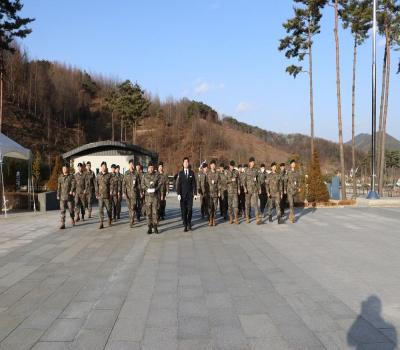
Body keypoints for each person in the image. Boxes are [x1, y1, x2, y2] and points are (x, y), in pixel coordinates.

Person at [176, 157, 197, 232]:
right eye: (184, 162)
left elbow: (194, 184)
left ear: (188, 163)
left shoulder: (192, 172)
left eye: (187, 162)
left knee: (190, 209)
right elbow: (178, 185)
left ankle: (189, 222)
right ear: (183, 163)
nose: (186, 163)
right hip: (182, 195)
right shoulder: (180, 173)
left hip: (190, 195)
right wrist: (178, 194)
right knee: (184, 211)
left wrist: (195, 193)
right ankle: (185, 225)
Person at [142, 162, 161, 234]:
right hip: (147, 197)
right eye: (150, 167)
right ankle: (149, 227)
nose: (151, 169)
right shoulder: (144, 175)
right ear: (148, 168)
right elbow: (142, 184)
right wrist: (146, 189)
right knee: (148, 213)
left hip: (155, 197)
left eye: (152, 167)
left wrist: (155, 189)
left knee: (155, 212)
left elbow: (160, 183)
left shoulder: (157, 175)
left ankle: (155, 227)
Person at [57, 163, 75, 229]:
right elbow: (58, 187)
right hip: (62, 197)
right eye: (63, 169)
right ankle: (63, 223)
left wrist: (72, 190)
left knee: (71, 210)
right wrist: (58, 194)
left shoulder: (71, 176)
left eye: (65, 168)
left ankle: (72, 218)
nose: (64, 170)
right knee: (62, 210)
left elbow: (73, 184)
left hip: (69, 197)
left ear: (67, 169)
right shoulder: (60, 177)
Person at [123, 159, 140, 228]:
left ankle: (131, 220)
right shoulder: (126, 173)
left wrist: (140, 191)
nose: (131, 165)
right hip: (127, 194)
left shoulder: (136, 173)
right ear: (129, 165)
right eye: (130, 164)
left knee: (133, 207)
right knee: (129, 208)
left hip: (134, 193)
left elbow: (138, 184)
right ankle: (131, 218)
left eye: (132, 164)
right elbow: (123, 184)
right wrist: (124, 192)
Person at [244, 157, 261, 225]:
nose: (253, 163)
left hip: (254, 189)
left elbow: (258, 180)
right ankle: (247, 217)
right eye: (251, 162)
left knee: (256, 204)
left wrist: (259, 188)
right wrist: (245, 188)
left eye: (253, 162)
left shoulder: (256, 170)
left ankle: (257, 218)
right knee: (248, 204)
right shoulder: (246, 170)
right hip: (248, 190)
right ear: (249, 163)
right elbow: (243, 180)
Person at [95, 161, 112, 229]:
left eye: (105, 166)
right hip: (100, 195)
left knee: (109, 209)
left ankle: (109, 218)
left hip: (107, 195)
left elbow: (111, 184)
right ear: (101, 167)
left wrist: (111, 191)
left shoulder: (109, 175)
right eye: (102, 166)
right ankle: (101, 222)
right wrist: (96, 193)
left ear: (106, 167)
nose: (104, 167)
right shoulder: (98, 175)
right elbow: (96, 185)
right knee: (100, 209)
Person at [207, 160, 220, 227]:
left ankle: (214, 219)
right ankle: (210, 220)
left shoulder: (217, 173)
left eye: (214, 165)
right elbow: (206, 183)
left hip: (215, 193)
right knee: (210, 207)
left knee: (215, 207)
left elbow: (219, 183)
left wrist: (219, 192)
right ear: (210, 165)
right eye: (212, 164)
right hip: (209, 193)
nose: (213, 166)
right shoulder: (208, 173)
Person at [226, 160, 240, 224]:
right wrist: (231, 180)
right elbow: (225, 181)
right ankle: (231, 218)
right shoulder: (226, 172)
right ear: (229, 165)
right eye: (231, 166)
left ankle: (236, 218)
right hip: (229, 191)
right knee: (230, 206)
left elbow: (238, 181)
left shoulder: (236, 172)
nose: (232, 167)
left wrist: (239, 189)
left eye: (233, 166)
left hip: (235, 191)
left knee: (236, 205)